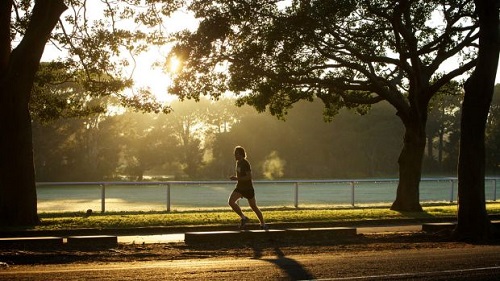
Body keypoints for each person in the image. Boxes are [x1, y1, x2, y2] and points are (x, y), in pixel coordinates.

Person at [228, 146, 268, 230]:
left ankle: (263, 224)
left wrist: (236, 178)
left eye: (237, 154)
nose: (235, 155)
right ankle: (244, 218)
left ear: (241, 154)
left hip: (248, 189)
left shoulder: (245, 163)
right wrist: (236, 178)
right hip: (240, 188)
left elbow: (249, 177)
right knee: (231, 202)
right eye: (234, 154)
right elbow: (241, 175)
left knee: (254, 207)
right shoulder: (238, 162)